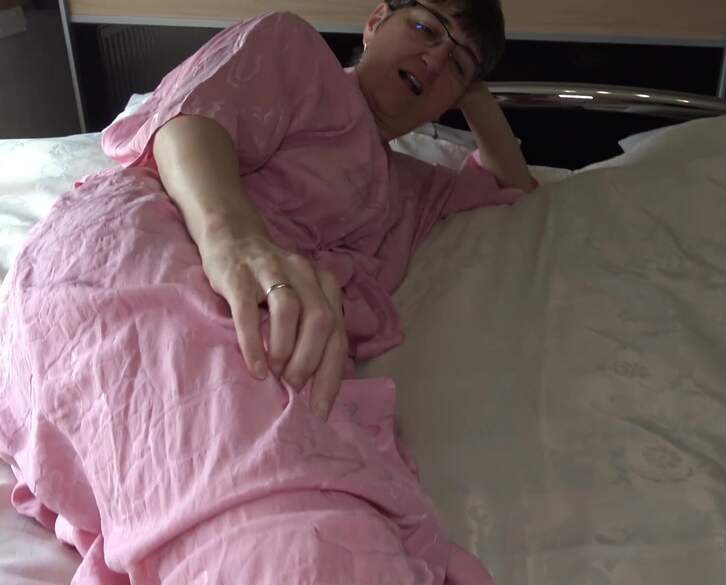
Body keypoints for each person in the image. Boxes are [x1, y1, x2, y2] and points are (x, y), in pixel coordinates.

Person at [0, 1, 533, 583]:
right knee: (276, 508)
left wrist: (470, 90)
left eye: (456, 63)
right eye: (425, 28)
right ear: (376, 21)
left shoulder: (403, 190)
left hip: (254, 319)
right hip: (146, 240)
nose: (433, 59)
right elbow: (190, 123)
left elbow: (513, 182)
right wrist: (235, 240)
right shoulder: (294, 50)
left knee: (309, 494)